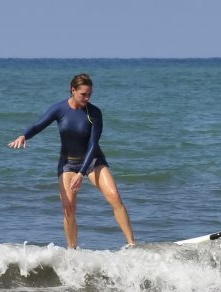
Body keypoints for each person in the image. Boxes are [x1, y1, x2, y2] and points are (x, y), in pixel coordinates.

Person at [8, 73, 135, 249]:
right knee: (68, 208)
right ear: (73, 90)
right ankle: (72, 251)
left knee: (115, 197)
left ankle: (132, 244)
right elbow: (39, 125)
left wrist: (82, 173)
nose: (87, 97)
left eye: (90, 94)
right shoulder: (59, 109)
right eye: (84, 94)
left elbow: (93, 145)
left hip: (93, 161)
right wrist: (24, 135)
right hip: (67, 163)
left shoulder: (94, 113)